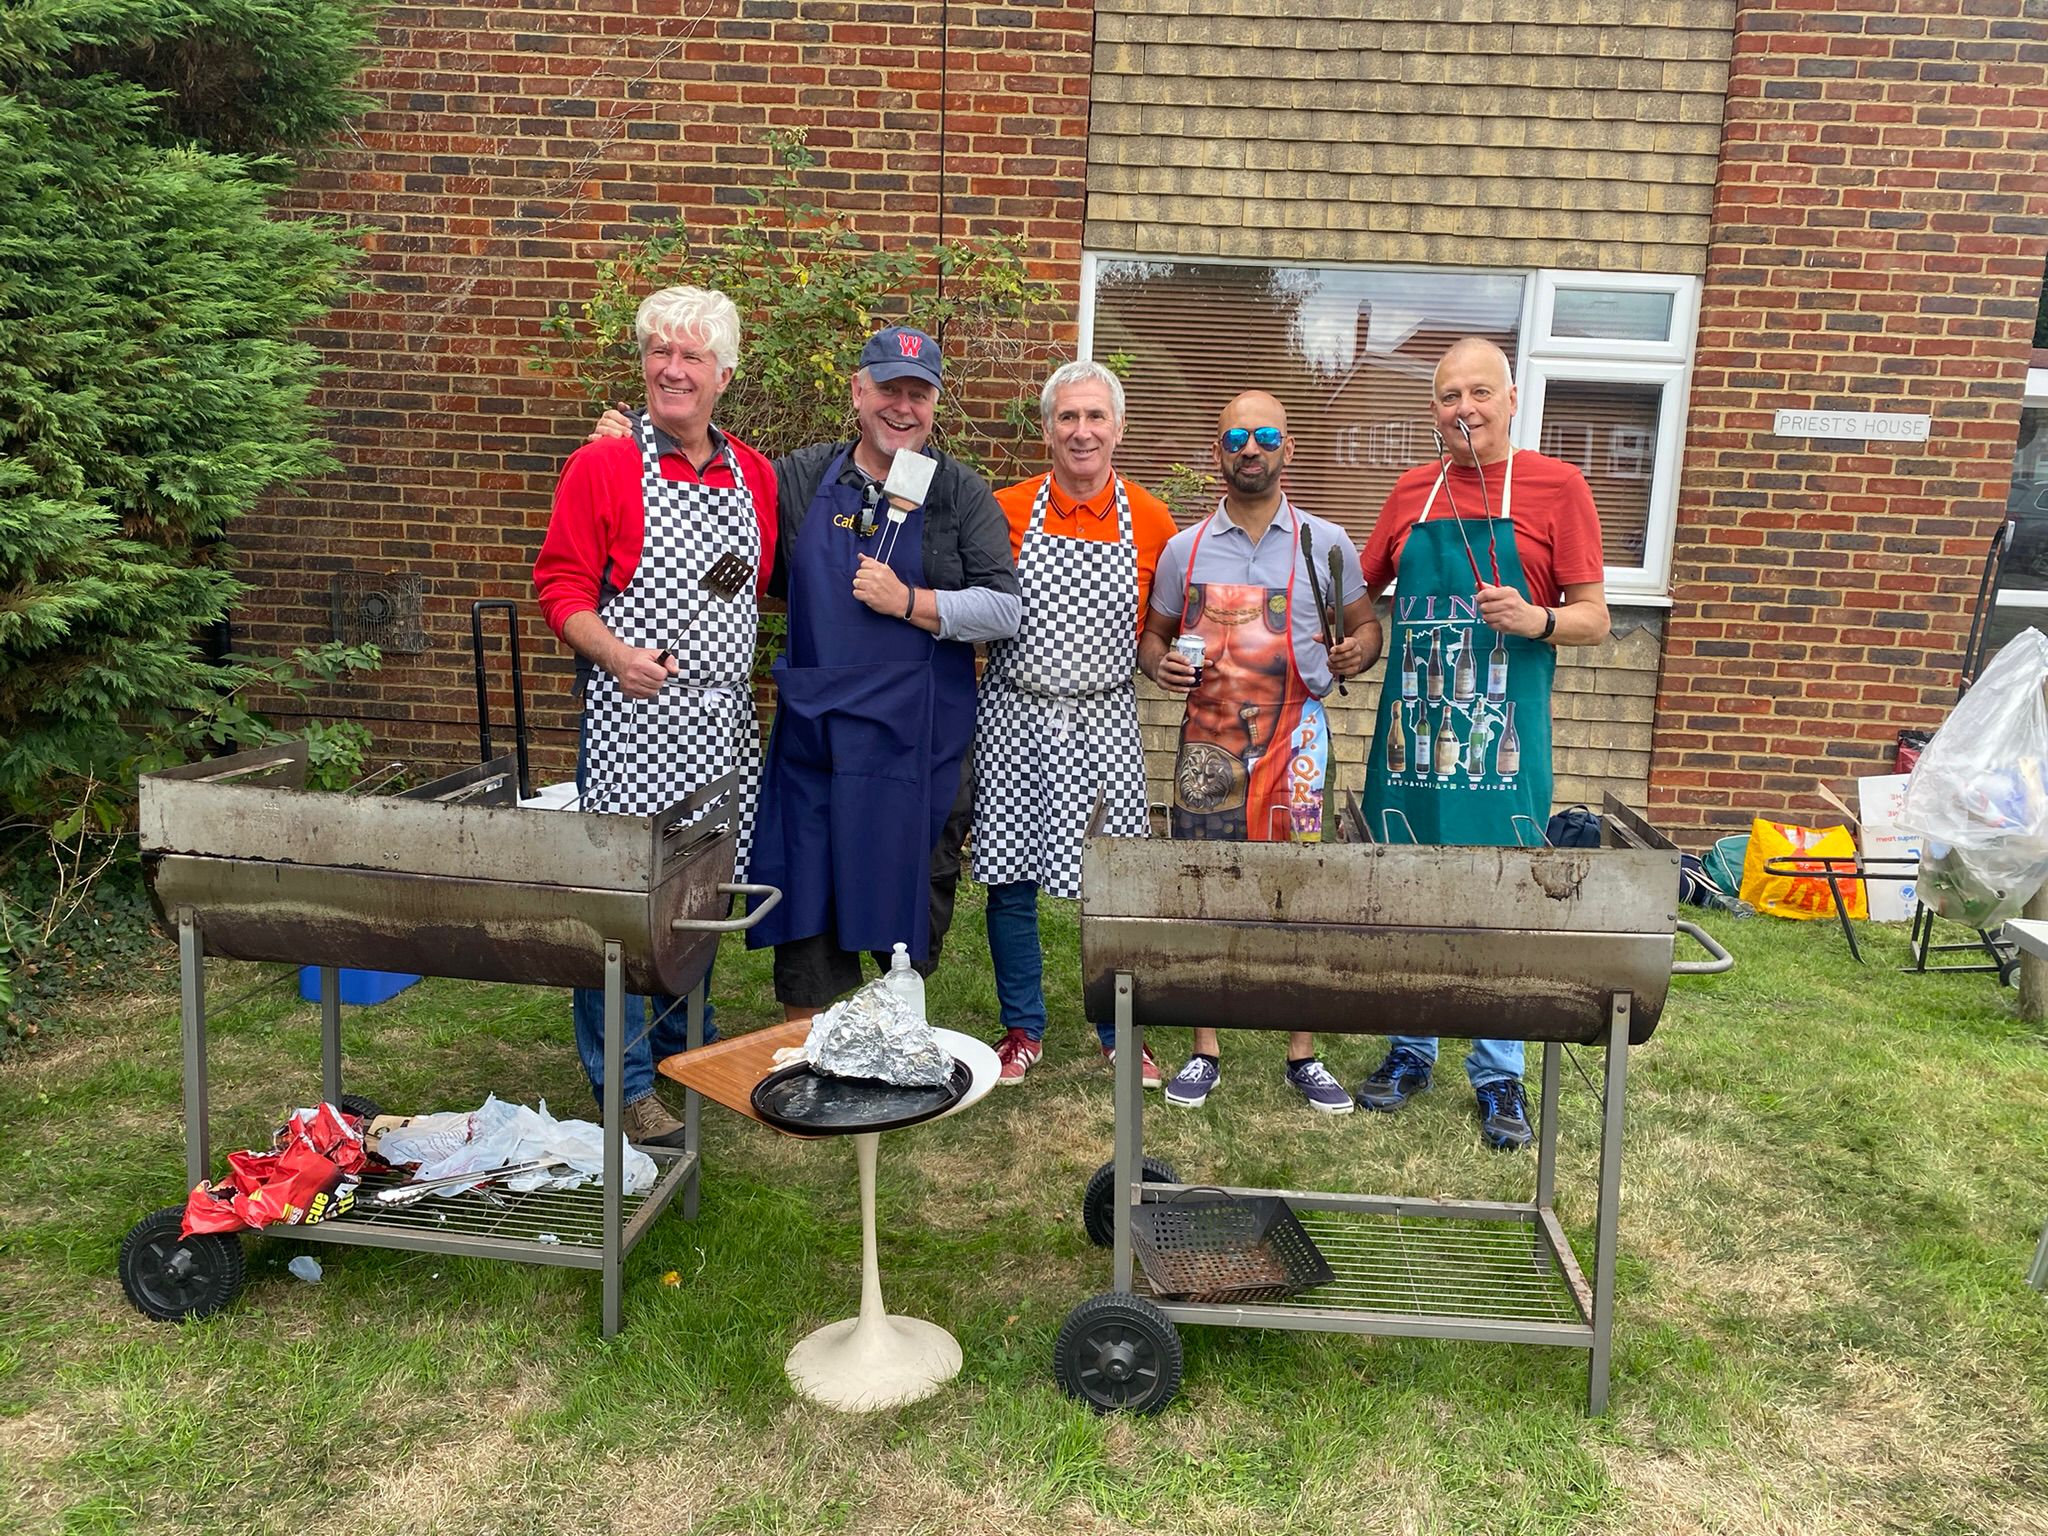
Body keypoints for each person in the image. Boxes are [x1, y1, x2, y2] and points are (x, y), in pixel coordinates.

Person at [534, 285, 777, 1149]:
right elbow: (559, 585)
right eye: (659, 353)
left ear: (724, 374)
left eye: (692, 357)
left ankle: (685, 1052)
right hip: (634, 722)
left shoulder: (755, 476)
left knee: (701, 898)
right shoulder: (602, 465)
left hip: (720, 726)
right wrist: (613, 654)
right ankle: (626, 1083)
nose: (672, 370)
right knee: (628, 910)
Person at [1352, 336, 1610, 1150]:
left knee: (1502, 902)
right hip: (1413, 738)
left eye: (1478, 393)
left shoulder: (1558, 488)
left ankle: (1499, 1075)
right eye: (1447, 396)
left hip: (1502, 735)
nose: (1463, 409)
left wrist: (1536, 620)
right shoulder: (1410, 493)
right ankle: (1408, 1049)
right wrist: (1350, 644)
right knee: (1405, 896)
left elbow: (1596, 618)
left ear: (1509, 399)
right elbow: (1362, 596)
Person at [742, 326, 1021, 1020]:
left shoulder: (960, 495)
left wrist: (914, 603)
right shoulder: (798, 479)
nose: (903, 407)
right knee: (808, 890)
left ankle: (900, 1039)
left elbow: (1004, 610)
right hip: (820, 735)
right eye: (889, 389)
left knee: (912, 891)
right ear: (858, 392)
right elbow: (708, 491)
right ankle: (805, 1049)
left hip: (915, 740)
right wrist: (632, 452)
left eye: (918, 394)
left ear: (935, 403)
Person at [1139, 390, 1378, 1113]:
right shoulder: (1185, 549)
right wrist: (1160, 666)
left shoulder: (1327, 544)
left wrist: (1354, 653)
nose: (1251, 448)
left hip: (1299, 736)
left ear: (1288, 449)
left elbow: (1368, 630)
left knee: (1304, 893)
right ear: (1218, 451)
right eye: (1236, 436)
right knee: (1204, 888)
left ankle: (1302, 1052)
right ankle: (1204, 1047)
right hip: (1207, 740)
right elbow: (1153, 638)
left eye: (1265, 435)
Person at [974, 361, 1180, 1087]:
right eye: (1068, 417)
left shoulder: (1153, 521)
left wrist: (1168, 664)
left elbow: (1158, 632)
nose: (1082, 431)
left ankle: (1120, 1030)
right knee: (1009, 875)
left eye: (1095, 417)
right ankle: (1021, 1030)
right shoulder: (1000, 509)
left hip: (1103, 715)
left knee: (1115, 878)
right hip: (1012, 711)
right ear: (1046, 429)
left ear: (1118, 428)